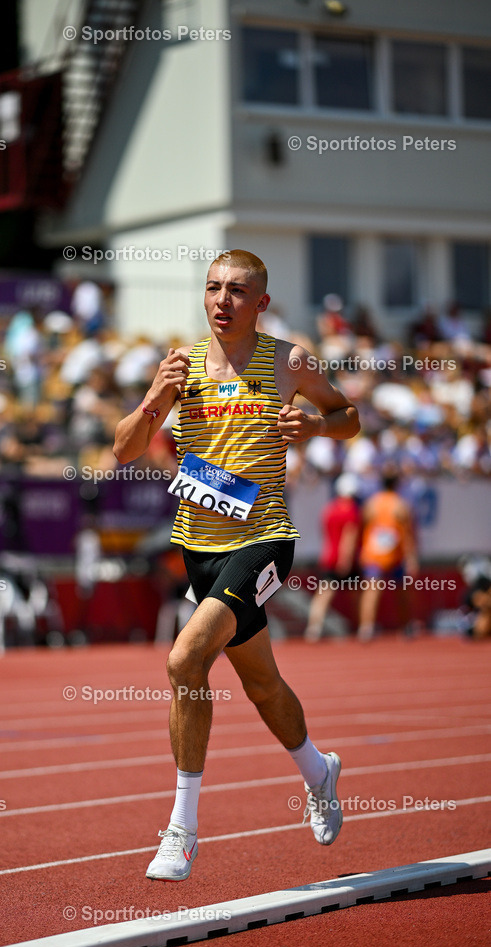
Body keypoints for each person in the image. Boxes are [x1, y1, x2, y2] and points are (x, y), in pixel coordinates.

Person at [113, 249, 360, 881]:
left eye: (237, 291)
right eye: (214, 288)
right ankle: (318, 771)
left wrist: (314, 427)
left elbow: (348, 416)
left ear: (262, 303)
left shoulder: (289, 361)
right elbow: (123, 450)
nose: (222, 300)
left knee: (184, 659)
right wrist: (155, 400)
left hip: (265, 539)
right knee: (262, 683)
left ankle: (182, 829)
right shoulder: (181, 364)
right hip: (199, 546)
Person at [357, 471, 418, 642]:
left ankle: (366, 628)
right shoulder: (401, 504)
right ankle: (406, 627)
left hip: (373, 554)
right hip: (395, 555)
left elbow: (363, 526)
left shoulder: (371, 504)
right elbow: (407, 534)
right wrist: (411, 557)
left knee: (371, 592)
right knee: (402, 592)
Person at [305, 473, 362, 642]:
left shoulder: (329, 509)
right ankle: (361, 627)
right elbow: (349, 536)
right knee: (356, 595)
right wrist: (346, 559)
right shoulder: (352, 510)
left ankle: (313, 629)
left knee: (323, 595)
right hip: (344, 559)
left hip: (329, 555)